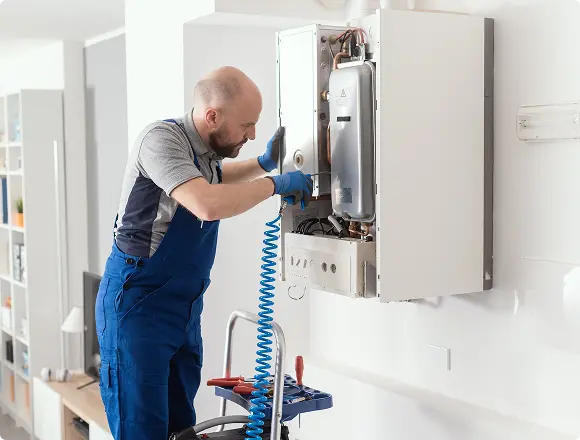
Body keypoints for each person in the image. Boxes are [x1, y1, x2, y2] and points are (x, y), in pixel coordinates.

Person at [95, 66, 313, 440]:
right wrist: (274, 184)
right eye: (246, 125)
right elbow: (206, 202)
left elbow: (216, 178)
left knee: (181, 430)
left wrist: (261, 163)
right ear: (213, 116)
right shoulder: (161, 140)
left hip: (182, 309)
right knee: (142, 430)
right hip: (137, 306)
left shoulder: (205, 153)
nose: (253, 134)